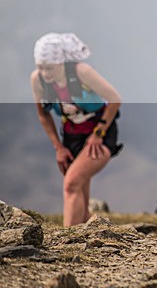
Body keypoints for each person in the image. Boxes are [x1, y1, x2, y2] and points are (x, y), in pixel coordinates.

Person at [30, 32, 122, 226]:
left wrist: (98, 134)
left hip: (100, 133)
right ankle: (90, 229)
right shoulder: (38, 80)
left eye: (50, 68)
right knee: (78, 189)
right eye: (40, 67)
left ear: (62, 63)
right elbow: (43, 115)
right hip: (71, 136)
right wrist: (58, 147)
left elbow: (115, 99)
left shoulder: (82, 72)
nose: (45, 74)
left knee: (71, 183)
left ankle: (67, 238)